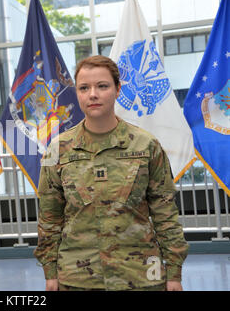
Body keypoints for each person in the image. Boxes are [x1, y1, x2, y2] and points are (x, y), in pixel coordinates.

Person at [34, 55, 188, 291]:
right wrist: (50, 273)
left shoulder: (145, 146)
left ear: (117, 90)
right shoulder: (58, 150)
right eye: (84, 88)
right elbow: (50, 218)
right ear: (77, 93)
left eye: (102, 86)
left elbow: (164, 213)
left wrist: (174, 273)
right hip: (78, 277)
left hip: (140, 275)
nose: (92, 94)